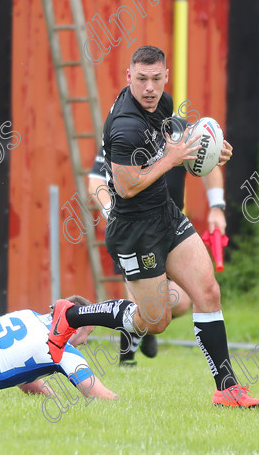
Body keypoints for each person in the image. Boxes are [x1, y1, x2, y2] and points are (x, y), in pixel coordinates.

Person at [47, 46, 259, 408]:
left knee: (208, 291)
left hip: (166, 216)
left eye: (156, 79)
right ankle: (71, 314)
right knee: (155, 320)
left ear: (166, 76)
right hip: (134, 230)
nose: (150, 88)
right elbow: (125, 185)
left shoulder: (162, 102)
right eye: (142, 79)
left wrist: (209, 151)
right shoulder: (125, 127)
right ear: (127, 76)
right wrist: (173, 159)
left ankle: (227, 388)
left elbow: (181, 140)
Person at [87, 135, 222, 366]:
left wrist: (218, 207)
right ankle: (126, 356)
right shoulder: (124, 130)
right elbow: (95, 181)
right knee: (143, 304)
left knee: (178, 302)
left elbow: (209, 162)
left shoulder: (179, 129)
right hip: (135, 231)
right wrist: (113, 213)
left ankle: (144, 329)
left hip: (170, 228)